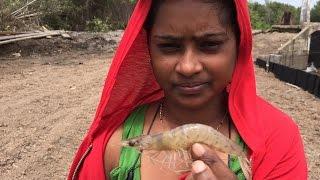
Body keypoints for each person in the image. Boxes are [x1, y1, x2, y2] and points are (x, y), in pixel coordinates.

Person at [68, 0, 308, 179]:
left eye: (210, 44)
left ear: (240, 44)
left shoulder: (277, 138)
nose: (188, 67)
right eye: (169, 47)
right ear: (148, 47)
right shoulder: (112, 144)